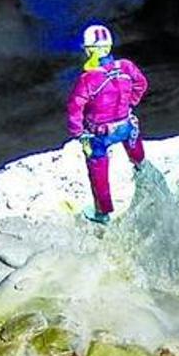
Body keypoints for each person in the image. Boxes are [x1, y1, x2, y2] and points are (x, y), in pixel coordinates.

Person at [67, 23, 148, 224]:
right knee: (133, 141)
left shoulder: (88, 79)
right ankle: (140, 164)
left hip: (99, 134)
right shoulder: (126, 67)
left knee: (98, 169)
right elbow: (141, 83)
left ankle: (102, 212)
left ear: (90, 51)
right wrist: (130, 103)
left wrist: (78, 131)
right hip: (125, 124)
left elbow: (75, 107)